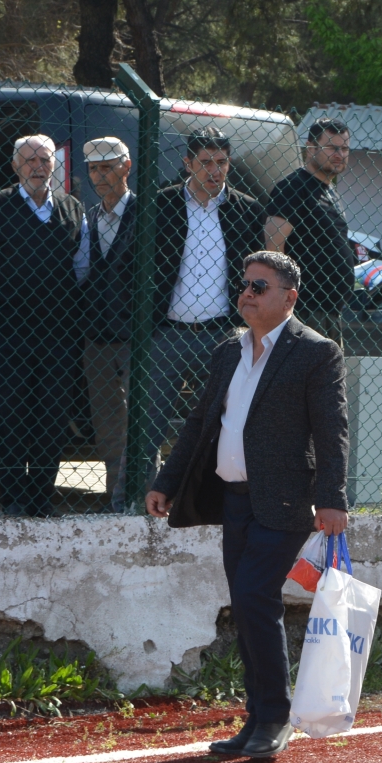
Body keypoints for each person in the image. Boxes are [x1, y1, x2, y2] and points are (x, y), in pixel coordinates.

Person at [146, 252, 348, 762]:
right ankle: (257, 718)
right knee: (247, 605)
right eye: (245, 285)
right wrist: (166, 483)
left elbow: (332, 432)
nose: (247, 294)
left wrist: (332, 500)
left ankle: (274, 718)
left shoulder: (316, 352)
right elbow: (200, 423)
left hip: (284, 501)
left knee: (256, 598)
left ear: (289, 297)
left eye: (260, 286)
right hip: (234, 501)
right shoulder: (227, 351)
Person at [0, 134, 87, 517]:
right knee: (10, 414)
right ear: (15, 166)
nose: (37, 167)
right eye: (29, 160)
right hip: (7, 332)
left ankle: (41, 499)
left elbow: (82, 264)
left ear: (54, 165)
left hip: (58, 334)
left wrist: (55, 296)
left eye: (44, 159)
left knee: (52, 417)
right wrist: (0, 294)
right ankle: (13, 498)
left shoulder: (72, 208)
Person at [138, 129, 268, 495]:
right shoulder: (159, 205)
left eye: (222, 162)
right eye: (205, 162)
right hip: (165, 334)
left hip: (222, 336)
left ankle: (214, 499)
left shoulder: (245, 209)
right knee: (147, 427)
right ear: (187, 164)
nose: (215, 170)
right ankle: (134, 500)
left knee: (226, 423)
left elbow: (257, 274)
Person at [72, 136, 136, 512]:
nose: (99, 176)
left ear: (126, 167)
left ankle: (138, 497)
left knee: (138, 421)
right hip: (96, 335)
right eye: (94, 169)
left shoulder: (146, 213)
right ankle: (117, 500)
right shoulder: (89, 218)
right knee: (107, 423)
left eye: (107, 168)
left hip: (136, 336)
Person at [264, 119, 355, 335]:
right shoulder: (293, 187)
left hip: (330, 311)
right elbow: (273, 247)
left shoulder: (329, 191)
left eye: (344, 149)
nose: (339, 155)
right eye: (332, 147)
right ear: (311, 148)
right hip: (305, 310)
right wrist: (284, 298)